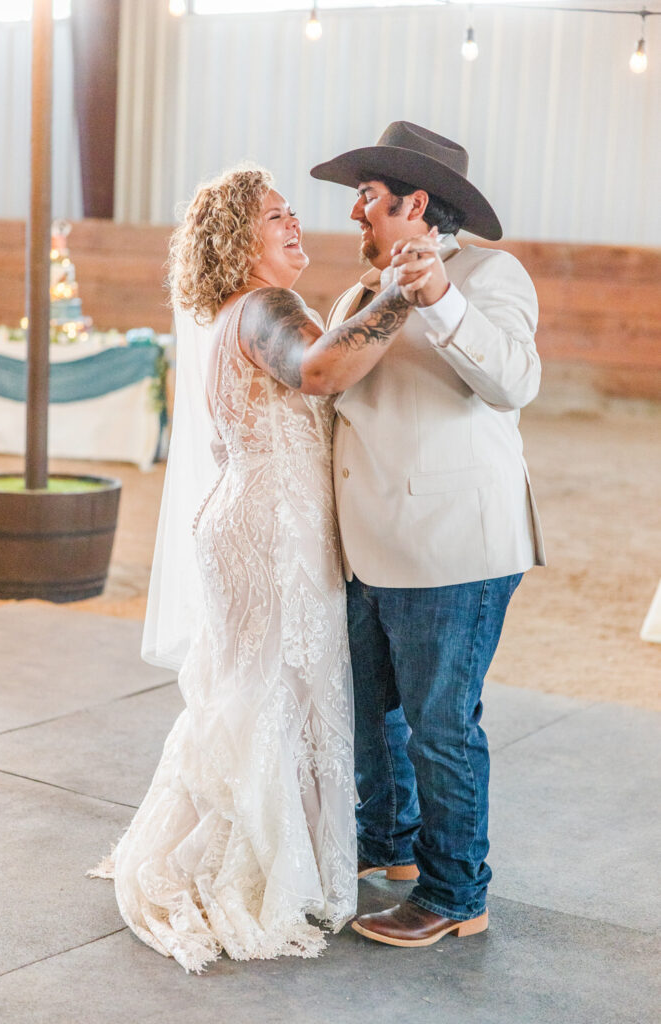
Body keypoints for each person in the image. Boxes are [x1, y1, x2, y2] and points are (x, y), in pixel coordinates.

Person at [89, 164, 434, 973]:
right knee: (271, 689)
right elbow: (316, 372)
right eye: (273, 216)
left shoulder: (240, 308)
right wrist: (401, 293)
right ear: (236, 241)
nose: (293, 225)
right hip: (269, 530)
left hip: (260, 516)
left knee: (257, 685)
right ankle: (248, 866)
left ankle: (260, 847)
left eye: (290, 214)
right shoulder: (268, 306)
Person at [310, 121, 546, 947]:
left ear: (413, 201)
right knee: (373, 717)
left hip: (453, 548)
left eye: (364, 199)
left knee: (441, 725)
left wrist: (438, 300)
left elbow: (515, 381)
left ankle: (454, 894)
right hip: (366, 545)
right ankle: (389, 846)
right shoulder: (353, 293)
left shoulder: (489, 273)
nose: (353, 217)